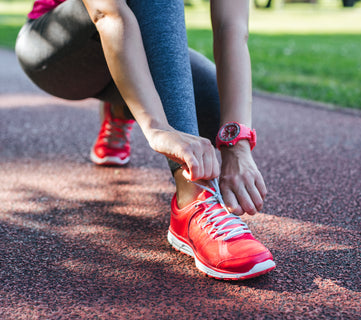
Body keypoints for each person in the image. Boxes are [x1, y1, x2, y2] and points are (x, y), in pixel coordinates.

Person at [15, 0, 275, 280]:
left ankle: (121, 107)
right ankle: (194, 198)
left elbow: (231, 28)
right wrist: (156, 126)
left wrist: (236, 143)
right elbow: (107, 12)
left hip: (131, 45)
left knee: (214, 101)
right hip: (58, 51)